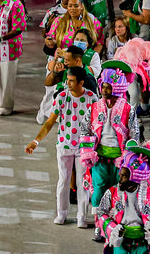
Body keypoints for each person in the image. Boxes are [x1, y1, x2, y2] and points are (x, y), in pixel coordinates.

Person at [26, 66, 98, 226]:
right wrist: (36, 141)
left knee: (82, 183)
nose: (68, 83)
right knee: (63, 180)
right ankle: (62, 214)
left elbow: (98, 123)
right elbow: (50, 122)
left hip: (84, 148)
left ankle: (81, 216)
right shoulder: (62, 97)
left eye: (72, 81)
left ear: (81, 82)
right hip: (64, 145)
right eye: (68, 80)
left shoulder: (92, 98)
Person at [79, 60, 140, 242]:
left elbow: (134, 134)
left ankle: (114, 227)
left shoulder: (128, 109)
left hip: (120, 162)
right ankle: (99, 226)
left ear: (118, 88)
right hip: (99, 160)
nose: (105, 91)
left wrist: (129, 158)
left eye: (109, 87)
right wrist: (88, 152)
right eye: (103, 87)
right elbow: (85, 129)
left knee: (118, 193)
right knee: (98, 192)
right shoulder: (94, 107)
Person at [96, 140, 150, 254]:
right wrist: (112, 229)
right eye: (121, 174)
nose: (120, 179)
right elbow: (101, 212)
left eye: (125, 176)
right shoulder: (112, 192)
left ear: (135, 177)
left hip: (142, 245)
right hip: (121, 245)